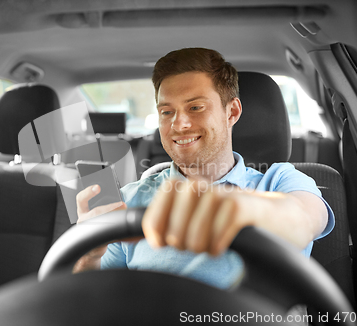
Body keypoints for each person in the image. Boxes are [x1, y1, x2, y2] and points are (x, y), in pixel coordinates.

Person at [73, 47, 334, 289]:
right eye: (166, 112)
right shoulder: (128, 199)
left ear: (231, 112)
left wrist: (234, 208)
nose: (179, 124)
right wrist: (88, 255)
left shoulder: (281, 181)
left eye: (195, 107)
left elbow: (304, 219)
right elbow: (97, 298)